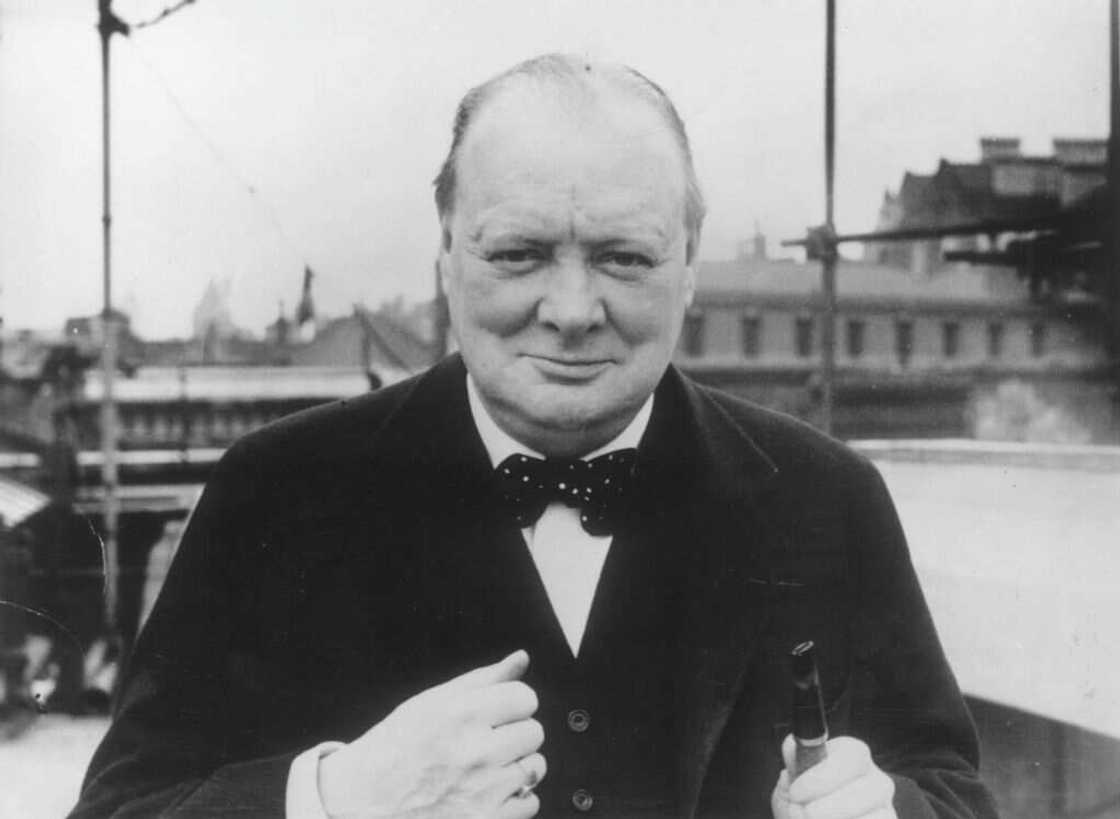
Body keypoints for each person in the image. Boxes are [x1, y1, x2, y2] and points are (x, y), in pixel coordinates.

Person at [72, 54, 997, 819]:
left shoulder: (825, 497)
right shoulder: (276, 490)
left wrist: (887, 812)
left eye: (623, 257)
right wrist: (338, 798)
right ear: (444, 257)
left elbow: (954, 791)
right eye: (517, 254)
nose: (570, 311)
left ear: (688, 270)